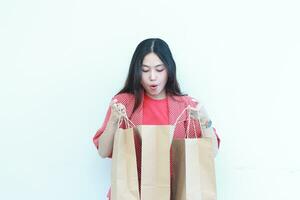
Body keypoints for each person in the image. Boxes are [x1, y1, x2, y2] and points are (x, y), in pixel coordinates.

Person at [92, 38, 221, 199]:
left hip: (175, 192)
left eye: (159, 69)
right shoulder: (123, 103)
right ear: (136, 71)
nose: (152, 77)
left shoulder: (186, 106)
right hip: (132, 193)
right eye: (145, 70)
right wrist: (113, 120)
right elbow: (103, 151)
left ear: (169, 69)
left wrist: (205, 119)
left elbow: (212, 152)